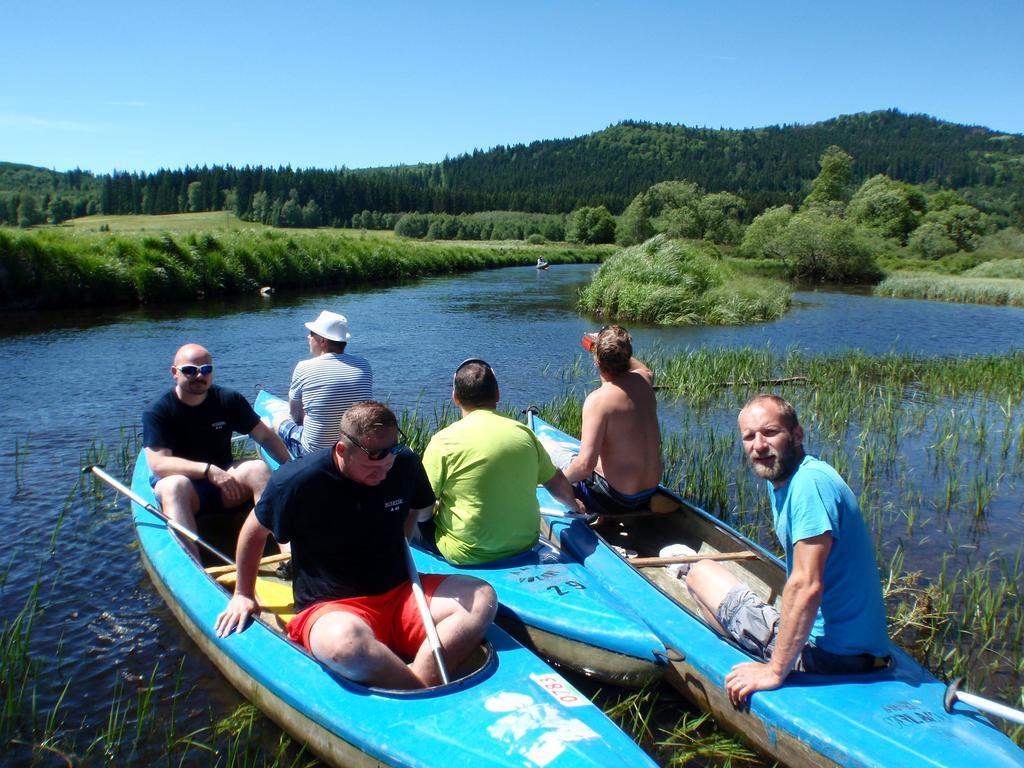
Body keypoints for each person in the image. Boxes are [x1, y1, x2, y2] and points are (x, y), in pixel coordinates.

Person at [214, 401, 497, 689]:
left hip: (400, 594)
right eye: (374, 459)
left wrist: (399, 540)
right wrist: (243, 593)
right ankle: (415, 690)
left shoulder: (404, 464)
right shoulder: (298, 481)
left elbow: (414, 508)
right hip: (331, 606)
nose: (385, 467)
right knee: (347, 647)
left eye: (392, 451)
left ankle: (420, 680)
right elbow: (254, 531)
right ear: (342, 450)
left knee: (482, 598)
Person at [685, 394, 890, 706]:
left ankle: (748, 654)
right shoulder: (786, 474)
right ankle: (749, 641)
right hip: (862, 647)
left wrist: (775, 671)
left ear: (797, 435)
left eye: (770, 432)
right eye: (749, 437)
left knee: (699, 574)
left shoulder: (809, 485)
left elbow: (806, 584)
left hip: (830, 656)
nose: (759, 445)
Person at [422, 358, 586, 565]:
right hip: (524, 544)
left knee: (418, 520)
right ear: (498, 395)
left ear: (455, 397)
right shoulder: (524, 434)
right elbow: (555, 481)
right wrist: (574, 505)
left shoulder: (442, 442)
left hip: (465, 554)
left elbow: (422, 503)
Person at [142, 343, 292, 558]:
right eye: (190, 370)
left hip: (226, 482)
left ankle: (287, 553)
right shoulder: (158, 411)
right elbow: (159, 464)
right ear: (175, 373)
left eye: (205, 370)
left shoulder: (228, 400)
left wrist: (290, 468)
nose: (199, 376)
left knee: (258, 469)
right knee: (175, 485)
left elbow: (265, 436)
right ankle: (192, 563)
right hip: (187, 489)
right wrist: (208, 470)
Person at [558, 325, 662, 516]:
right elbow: (645, 369)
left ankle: (590, 513)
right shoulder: (644, 381)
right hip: (648, 493)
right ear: (627, 355)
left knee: (558, 457)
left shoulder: (598, 400)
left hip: (614, 499)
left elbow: (584, 466)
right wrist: (615, 345)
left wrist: (555, 483)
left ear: (597, 360)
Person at [273, 310, 373, 457]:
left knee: (276, 420)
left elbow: (295, 415)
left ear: (323, 341)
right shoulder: (364, 365)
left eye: (311, 333)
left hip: (315, 453)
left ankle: (287, 468)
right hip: (352, 448)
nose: (308, 336)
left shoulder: (303, 367)